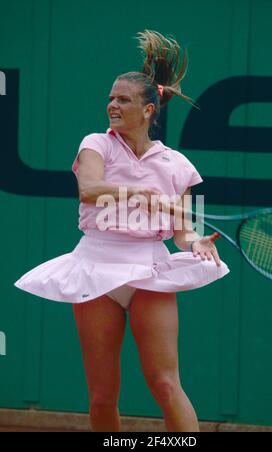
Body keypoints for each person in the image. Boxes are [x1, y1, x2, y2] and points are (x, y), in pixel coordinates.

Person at [14, 30, 230, 432]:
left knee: (166, 385)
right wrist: (138, 192)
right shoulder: (96, 144)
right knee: (102, 394)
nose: (112, 105)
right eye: (111, 98)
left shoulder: (177, 165)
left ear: (148, 110)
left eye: (124, 99)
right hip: (96, 267)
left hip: (149, 269)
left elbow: (184, 230)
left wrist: (196, 241)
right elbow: (89, 189)